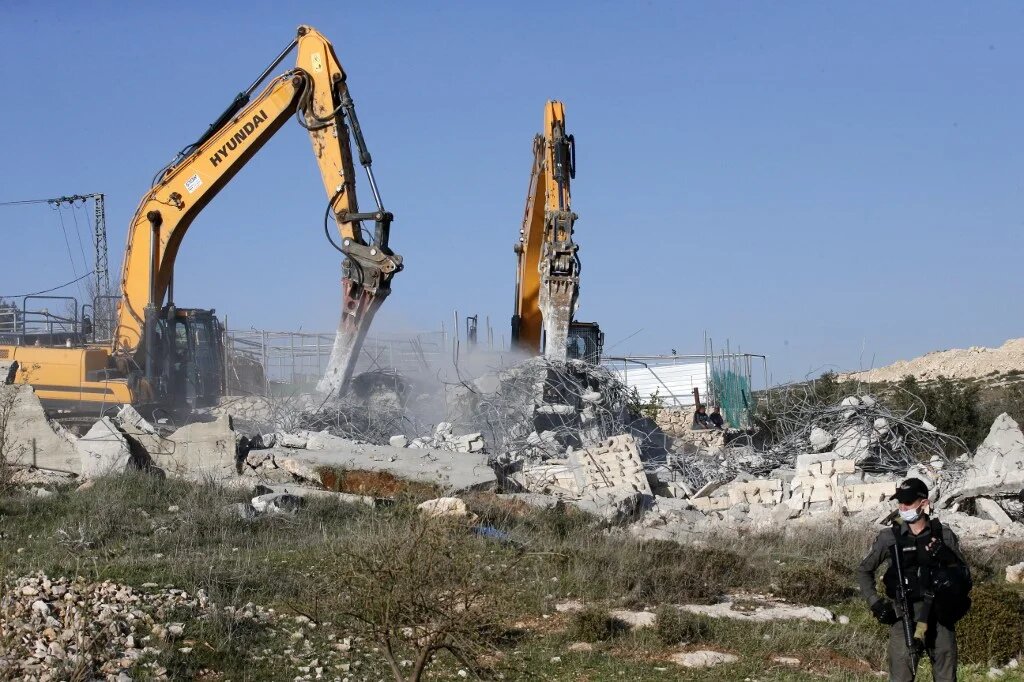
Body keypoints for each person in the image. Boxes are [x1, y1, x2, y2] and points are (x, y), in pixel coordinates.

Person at [856, 478, 972, 682]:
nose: (902, 507)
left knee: (946, 677)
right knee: (901, 677)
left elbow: (965, 577)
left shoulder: (944, 535)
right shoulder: (889, 537)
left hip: (940, 618)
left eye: (908, 503)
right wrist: (875, 603)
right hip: (906, 617)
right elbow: (864, 571)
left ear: (924, 504)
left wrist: (947, 557)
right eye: (900, 502)